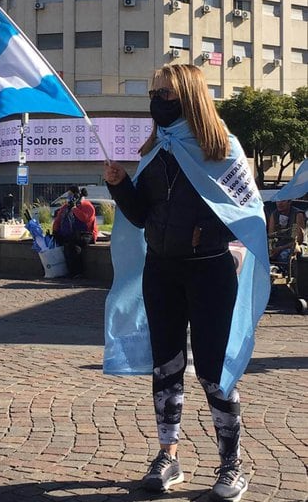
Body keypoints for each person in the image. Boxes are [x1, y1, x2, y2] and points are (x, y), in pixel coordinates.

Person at [103, 64, 270, 501]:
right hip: (161, 271)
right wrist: (120, 186)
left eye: (167, 93)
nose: (157, 101)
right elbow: (141, 216)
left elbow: (248, 213)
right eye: (154, 92)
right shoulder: (155, 151)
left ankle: (231, 463)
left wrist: (210, 232)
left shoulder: (223, 149)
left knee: (215, 372)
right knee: (167, 367)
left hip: (210, 271)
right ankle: (167, 455)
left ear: (190, 96)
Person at [52, 185, 98, 277]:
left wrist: (74, 209)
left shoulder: (88, 206)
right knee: (63, 242)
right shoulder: (65, 207)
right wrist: (55, 231)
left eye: (71, 194)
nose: (69, 197)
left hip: (86, 234)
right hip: (70, 234)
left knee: (74, 246)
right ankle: (66, 271)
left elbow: (85, 219)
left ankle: (77, 272)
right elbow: (58, 220)